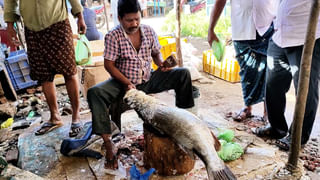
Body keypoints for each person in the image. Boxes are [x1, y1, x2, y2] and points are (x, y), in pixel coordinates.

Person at [87, 0, 194, 169]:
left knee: (183, 74)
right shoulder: (113, 36)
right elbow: (109, 65)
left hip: (148, 79)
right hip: (122, 83)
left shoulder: (148, 31)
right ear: (120, 19)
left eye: (137, 19)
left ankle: (187, 120)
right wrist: (126, 83)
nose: (134, 23)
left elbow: (156, 53)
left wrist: (161, 64)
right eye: (129, 20)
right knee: (95, 92)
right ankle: (109, 142)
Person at [4, 0, 87, 137]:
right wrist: (9, 25)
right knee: (44, 75)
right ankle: (55, 116)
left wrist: (80, 16)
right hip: (32, 29)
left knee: (69, 70)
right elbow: (10, 1)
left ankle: (76, 115)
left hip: (58, 24)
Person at [254, 0, 320, 151]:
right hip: (279, 34)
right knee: (273, 84)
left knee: (305, 90)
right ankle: (277, 128)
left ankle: (298, 137)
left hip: (306, 36)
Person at [208, 0, 277, 121]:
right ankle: (247, 107)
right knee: (247, 72)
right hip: (242, 28)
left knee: (269, 72)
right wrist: (211, 29)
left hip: (268, 26)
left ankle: (268, 112)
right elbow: (220, 1)